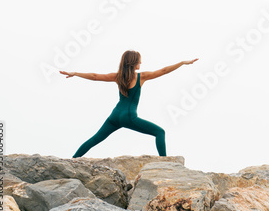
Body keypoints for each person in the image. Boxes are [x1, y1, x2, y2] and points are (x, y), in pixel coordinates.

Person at [59, 50, 198, 158]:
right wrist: (181, 63)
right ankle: (166, 165)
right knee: (159, 132)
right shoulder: (141, 76)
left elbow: (95, 77)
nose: (141, 64)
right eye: (139, 61)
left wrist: (75, 73)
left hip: (115, 115)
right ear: (133, 62)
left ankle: (73, 159)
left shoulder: (118, 76)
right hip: (129, 116)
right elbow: (163, 71)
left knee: (95, 139)